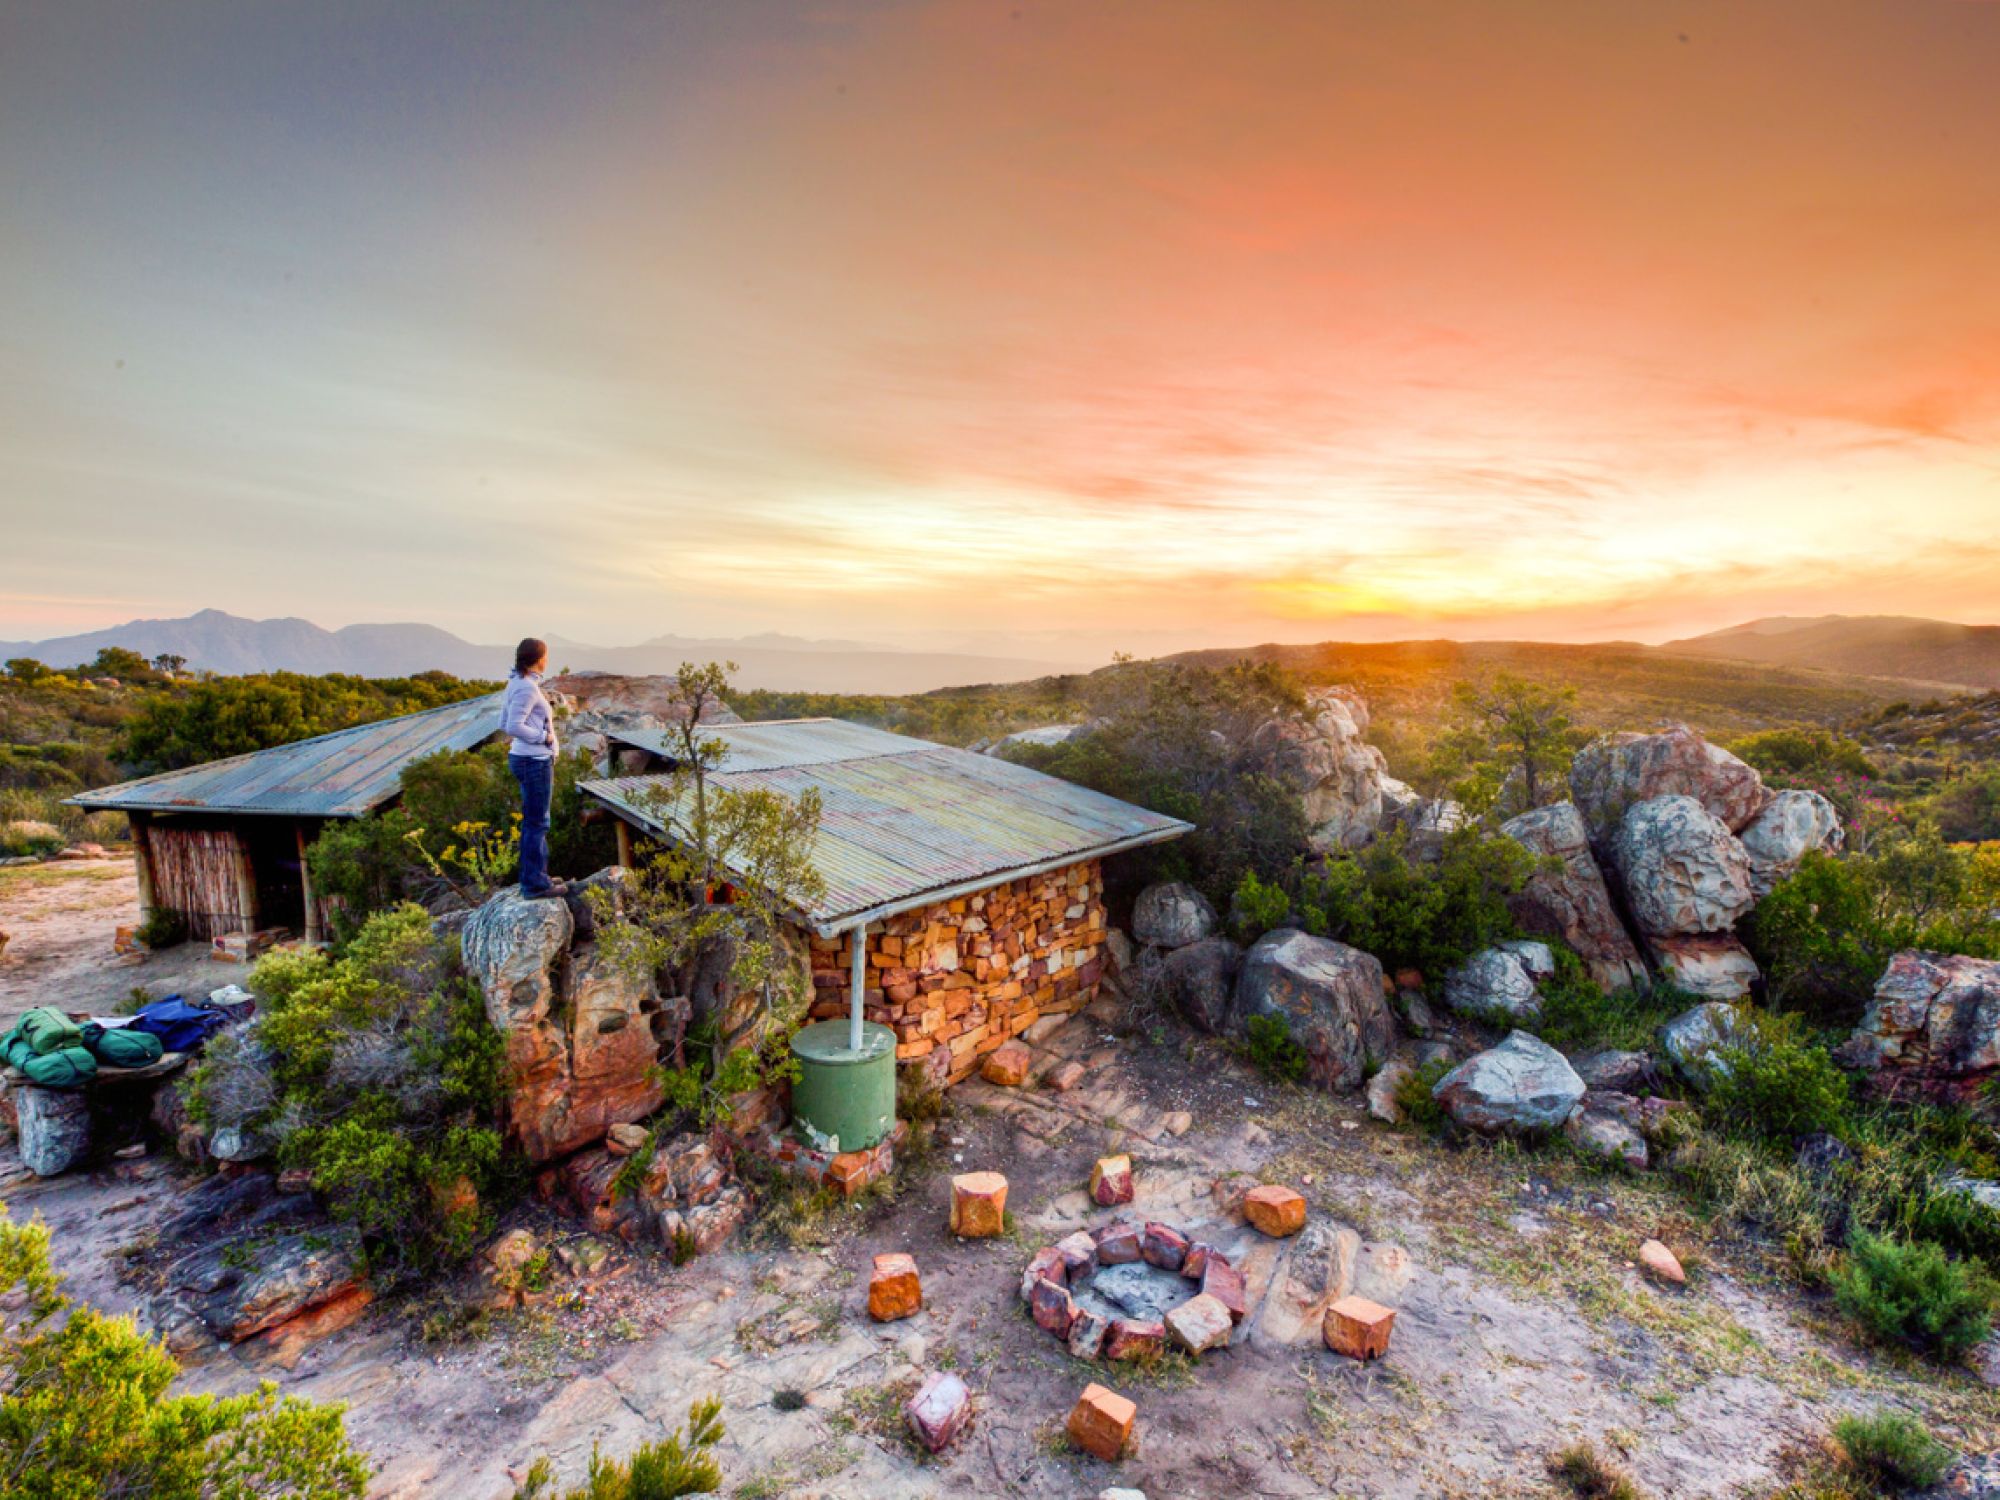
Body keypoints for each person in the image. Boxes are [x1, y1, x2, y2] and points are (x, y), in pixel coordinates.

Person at [501, 637, 564, 899]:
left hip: (527, 759)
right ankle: (534, 885)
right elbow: (513, 725)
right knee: (538, 823)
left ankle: (538, 875)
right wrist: (543, 738)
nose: (547, 660)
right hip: (533, 761)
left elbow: (503, 720)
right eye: (546, 655)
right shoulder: (526, 688)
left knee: (535, 822)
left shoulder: (516, 682)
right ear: (539, 658)